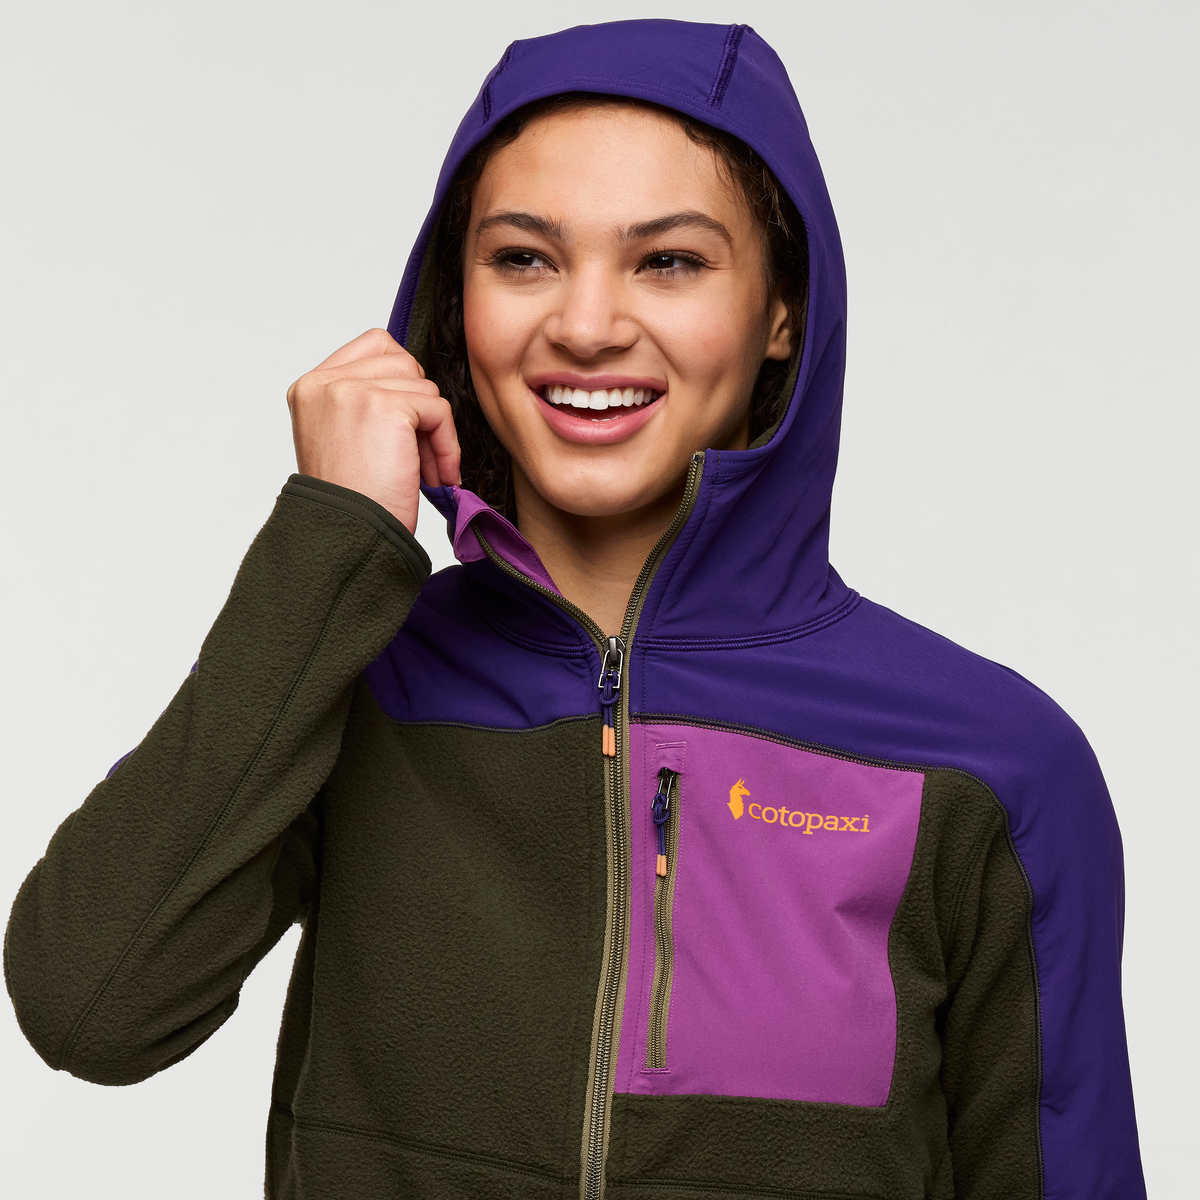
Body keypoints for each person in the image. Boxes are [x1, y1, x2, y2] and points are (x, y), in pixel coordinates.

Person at [5, 19, 1144, 1200]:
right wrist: (328, 546)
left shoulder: (984, 767)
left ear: (782, 312)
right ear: (456, 300)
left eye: (670, 262)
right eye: (524, 258)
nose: (587, 326)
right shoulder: (353, 681)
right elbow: (89, 1006)